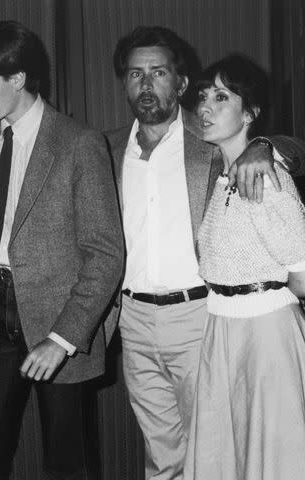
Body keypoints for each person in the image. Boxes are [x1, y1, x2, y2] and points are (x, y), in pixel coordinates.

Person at [105, 26, 305, 480]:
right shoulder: (106, 147)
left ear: (179, 83)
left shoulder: (213, 143)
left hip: (204, 317)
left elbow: (293, 149)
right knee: (165, 454)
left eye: (158, 71)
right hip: (134, 321)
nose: (145, 83)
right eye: (135, 73)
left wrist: (265, 144)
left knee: (227, 449)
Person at [0, 21, 124, 479]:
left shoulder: (79, 144)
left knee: (68, 459)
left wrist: (63, 338)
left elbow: (106, 254)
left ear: (18, 79)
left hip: (59, 317)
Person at [183, 54, 305, 480]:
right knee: (227, 457)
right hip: (222, 329)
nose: (206, 107)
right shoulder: (226, 178)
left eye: (222, 96)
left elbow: (304, 275)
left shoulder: (263, 175)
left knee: (274, 459)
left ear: (250, 113)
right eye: (203, 96)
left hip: (265, 336)